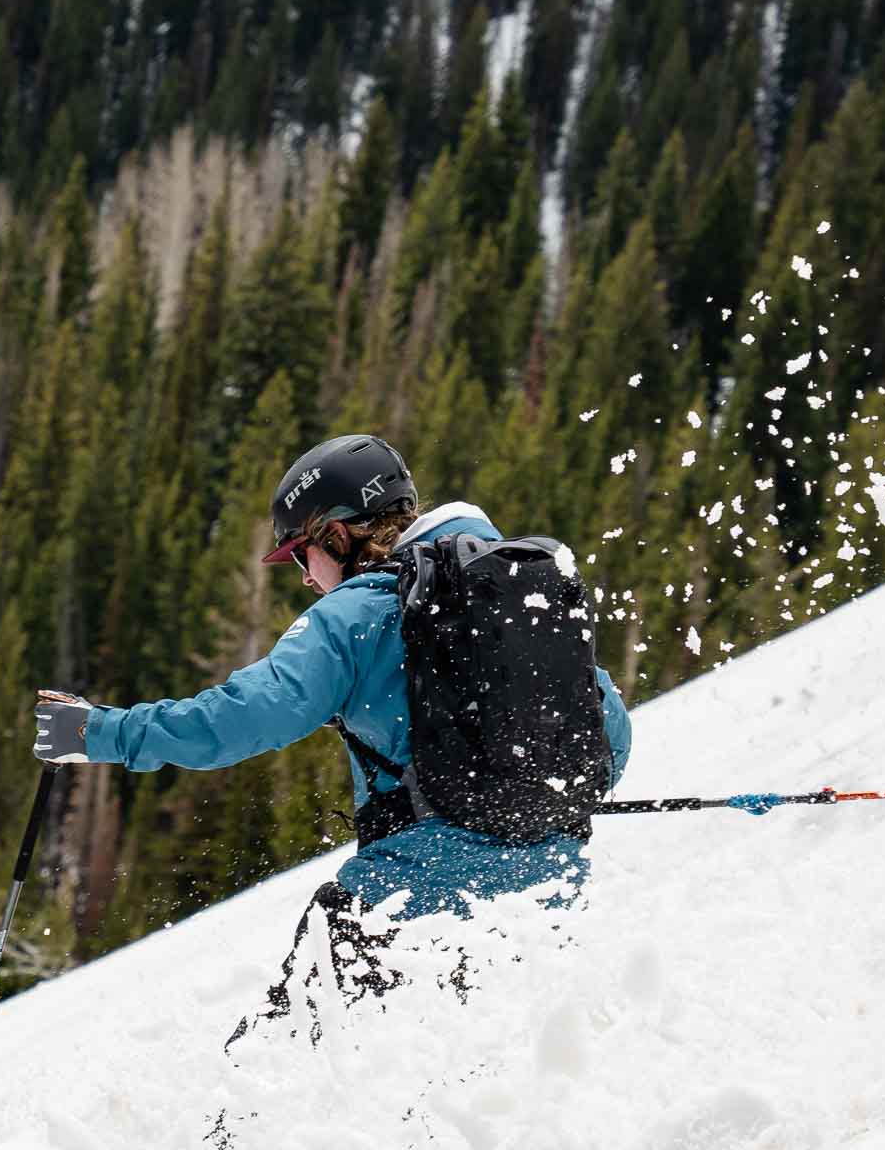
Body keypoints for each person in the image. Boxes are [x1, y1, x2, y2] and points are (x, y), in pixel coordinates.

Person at [32, 434, 634, 1043]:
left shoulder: (357, 612)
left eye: (300, 554)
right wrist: (504, 787)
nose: (304, 577)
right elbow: (611, 741)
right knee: (481, 1074)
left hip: (409, 897)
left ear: (337, 536)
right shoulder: (519, 588)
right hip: (553, 893)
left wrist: (99, 732)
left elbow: (236, 718)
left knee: (275, 1070)